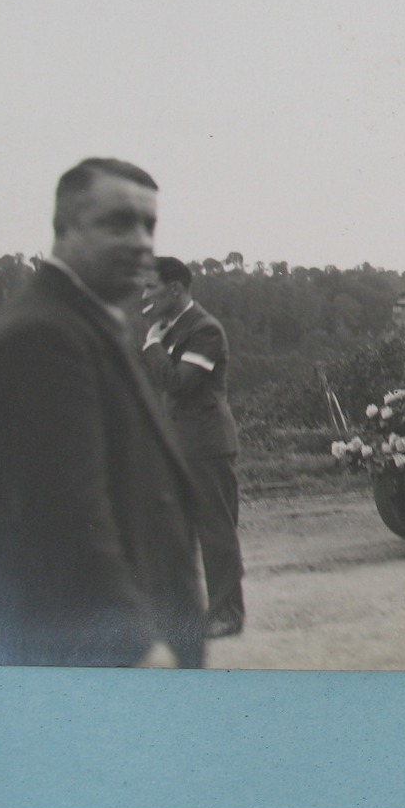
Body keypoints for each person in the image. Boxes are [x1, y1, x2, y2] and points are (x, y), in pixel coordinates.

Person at [0, 158, 204, 667]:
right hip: (86, 658)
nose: (140, 241)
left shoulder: (86, 322)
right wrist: (137, 649)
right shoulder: (44, 336)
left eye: (148, 225)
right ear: (64, 229)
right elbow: (64, 520)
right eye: (117, 222)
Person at [141, 255, 246, 639]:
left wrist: (152, 347)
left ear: (175, 289)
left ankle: (228, 614)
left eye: (151, 287)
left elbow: (180, 383)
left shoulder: (205, 330)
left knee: (216, 532)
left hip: (206, 445)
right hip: (178, 446)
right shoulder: (168, 328)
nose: (145, 295)